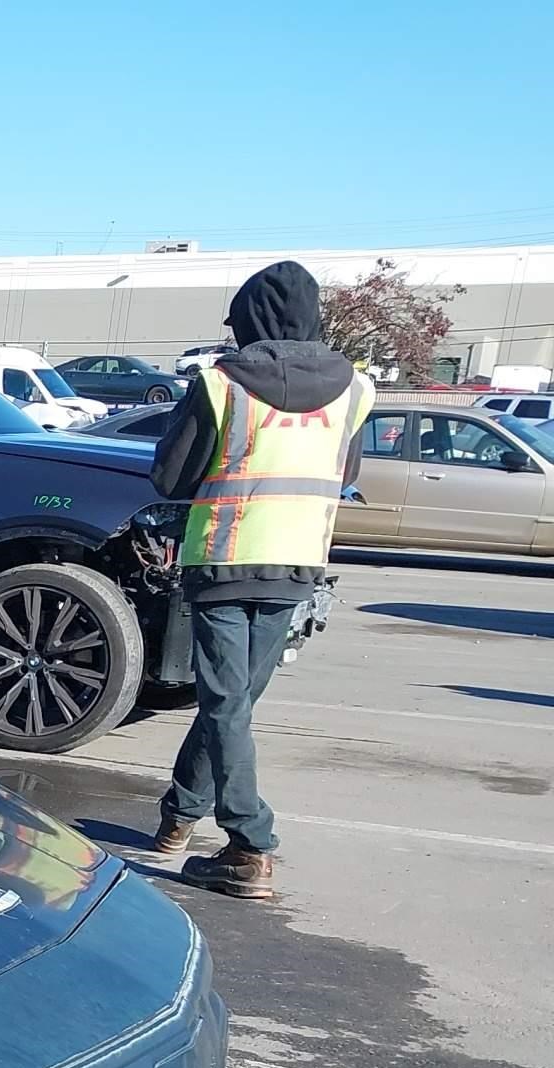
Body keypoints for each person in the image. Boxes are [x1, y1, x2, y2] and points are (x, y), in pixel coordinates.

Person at [147, 261, 371, 900]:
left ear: (248, 320)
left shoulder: (221, 384)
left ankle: (250, 843)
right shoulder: (355, 388)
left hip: (223, 556)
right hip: (298, 561)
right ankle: (180, 816)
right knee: (234, 701)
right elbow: (344, 470)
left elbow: (171, 478)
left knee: (224, 701)